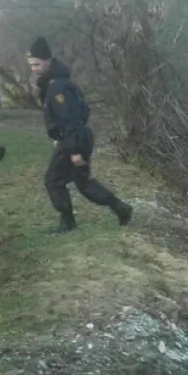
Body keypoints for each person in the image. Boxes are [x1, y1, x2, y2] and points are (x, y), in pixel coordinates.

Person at [27, 36, 133, 232]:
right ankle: (120, 208)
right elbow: (83, 112)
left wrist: (73, 150)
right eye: (31, 65)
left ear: (48, 60)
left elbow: (70, 119)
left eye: (37, 64)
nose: (34, 69)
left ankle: (68, 222)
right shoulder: (61, 81)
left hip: (73, 140)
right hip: (78, 137)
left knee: (53, 180)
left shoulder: (57, 87)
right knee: (82, 182)